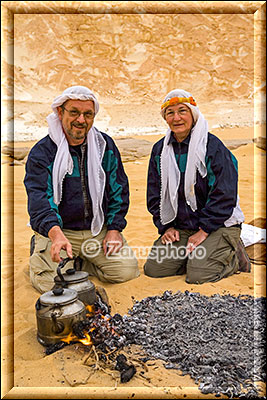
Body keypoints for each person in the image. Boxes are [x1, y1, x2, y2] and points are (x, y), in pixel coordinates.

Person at [24, 85, 139, 293]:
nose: (81, 120)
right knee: (51, 284)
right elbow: (39, 199)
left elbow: (119, 190)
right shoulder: (43, 152)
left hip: (97, 231)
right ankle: (41, 248)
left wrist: (114, 229)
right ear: (60, 112)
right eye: (74, 112)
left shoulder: (105, 146)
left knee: (126, 272)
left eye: (88, 114)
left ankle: (77, 262)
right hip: (59, 231)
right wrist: (54, 233)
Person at [144, 89, 249, 284]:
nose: (177, 118)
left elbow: (225, 194)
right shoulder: (160, 150)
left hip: (218, 224)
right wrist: (166, 227)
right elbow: (154, 195)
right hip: (183, 227)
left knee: (199, 276)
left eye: (182, 111)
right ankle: (198, 257)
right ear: (165, 118)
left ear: (193, 113)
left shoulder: (212, 146)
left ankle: (234, 257)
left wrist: (204, 231)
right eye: (170, 113)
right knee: (155, 269)